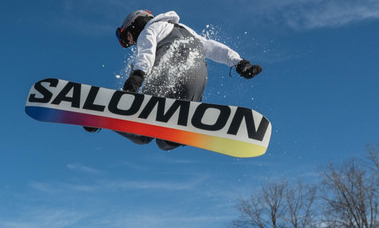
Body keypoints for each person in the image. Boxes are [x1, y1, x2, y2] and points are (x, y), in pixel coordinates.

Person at [89, 9, 263, 150]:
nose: (131, 42)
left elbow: (146, 56)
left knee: (142, 134)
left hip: (170, 79)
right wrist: (240, 63)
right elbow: (212, 48)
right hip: (196, 84)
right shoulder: (187, 30)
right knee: (165, 141)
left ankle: (100, 116)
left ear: (135, 25)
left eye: (128, 37)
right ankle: (191, 125)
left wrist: (135, 81)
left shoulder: (149, 30)